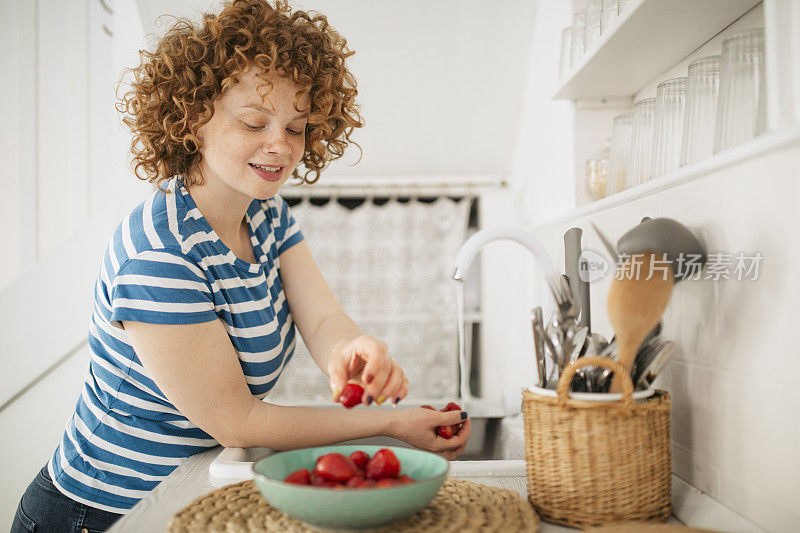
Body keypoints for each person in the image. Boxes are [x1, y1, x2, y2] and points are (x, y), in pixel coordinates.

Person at [11, 1, 470, 531]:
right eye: (255, 122)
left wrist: (351, 350)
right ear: (193, 117)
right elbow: (238, 422)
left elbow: (320, 319)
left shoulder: (265, 210)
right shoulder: (160, 255)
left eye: (297, 128)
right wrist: (388, 422)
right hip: (97, 513)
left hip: (185, 495)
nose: (280, 146)